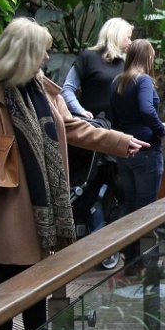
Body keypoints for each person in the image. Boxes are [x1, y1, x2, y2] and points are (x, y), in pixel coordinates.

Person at [0, 18, 147, 330]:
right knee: (7, 276)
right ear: (23, 53)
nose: (46, 57)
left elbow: (73, 127)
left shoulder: (43, 88)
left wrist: (119, 141)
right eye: (41, 50)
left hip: (46, 202)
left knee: (39, 277)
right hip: (9, 200)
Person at [62, 17, 133, 232]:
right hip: (92, 134)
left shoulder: (127, 62)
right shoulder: (88, 58)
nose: (130, 42)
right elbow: (67, 88)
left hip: (120, 133)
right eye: (128, 37)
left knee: (120, 188)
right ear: (116, 34)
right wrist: (80, 111)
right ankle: (96, 239)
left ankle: (115, 241)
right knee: (90, 187)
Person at [105, 39, 165, 266]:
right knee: (147, 207)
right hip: (147, 149)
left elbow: (114, 117)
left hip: (125, 149)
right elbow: (146, 109)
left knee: (129, 202)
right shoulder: (144, 80)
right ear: (147, 57)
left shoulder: (117, 81)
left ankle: (127, 254)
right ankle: (146, 261)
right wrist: (159, 130)